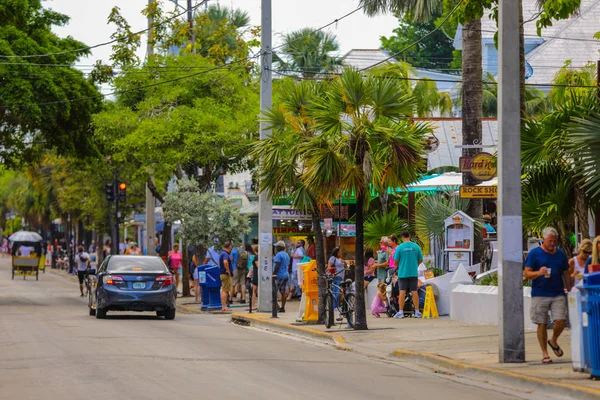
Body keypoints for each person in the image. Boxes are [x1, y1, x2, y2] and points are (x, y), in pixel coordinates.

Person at [524, 227, 571, 364]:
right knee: (542, 323)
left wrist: (570, 288)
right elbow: (527, 273)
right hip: (540, 293)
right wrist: (539, 273)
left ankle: (554, 340)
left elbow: (566, 273)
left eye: (554, 241)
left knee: (561, 320)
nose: (552, 244)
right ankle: (545, 353)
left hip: (557, 293)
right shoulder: (534, 254)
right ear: (543, 239)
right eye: (550, 241)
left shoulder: (560, 254)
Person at [393, 231, 423, 319]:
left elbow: (395, 261)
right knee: (414, 291)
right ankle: (417, 312)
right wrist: (415, 265)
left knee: (402, 292)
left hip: (402, 273)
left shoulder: (399, 248)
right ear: (409, 236)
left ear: (402, 237)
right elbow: (420, 260)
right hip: (413, 272)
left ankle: (401, 312)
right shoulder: (416, 246)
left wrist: (401, 265)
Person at [273, 241, 291, 313]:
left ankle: (276, 307)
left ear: (281, 247)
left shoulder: (279, 255)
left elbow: (277, 265)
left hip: (279, 275)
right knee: (282, 292)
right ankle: (282, 307)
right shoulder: (286, 255)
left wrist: (274, 273)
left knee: (274, 292)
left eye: (277, 246)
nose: (276, 248)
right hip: (286, 274)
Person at [219, 242, 234, 311]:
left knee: (225, 290)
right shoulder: (225, 254)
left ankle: (224, 305)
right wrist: (228, 270)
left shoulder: (223, 253)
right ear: (229, 247)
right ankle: (224, 306)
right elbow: (225, 262)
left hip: (223, 274)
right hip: (225, 274)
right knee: (225, 290)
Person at [245, 243, 258, 310]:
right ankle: (253, 305)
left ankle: (253, 306)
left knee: (254, 291)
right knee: (254, 291)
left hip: (256, 275)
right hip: (256, 274)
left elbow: (258, 266)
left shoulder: (256, 257)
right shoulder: (258, 257)